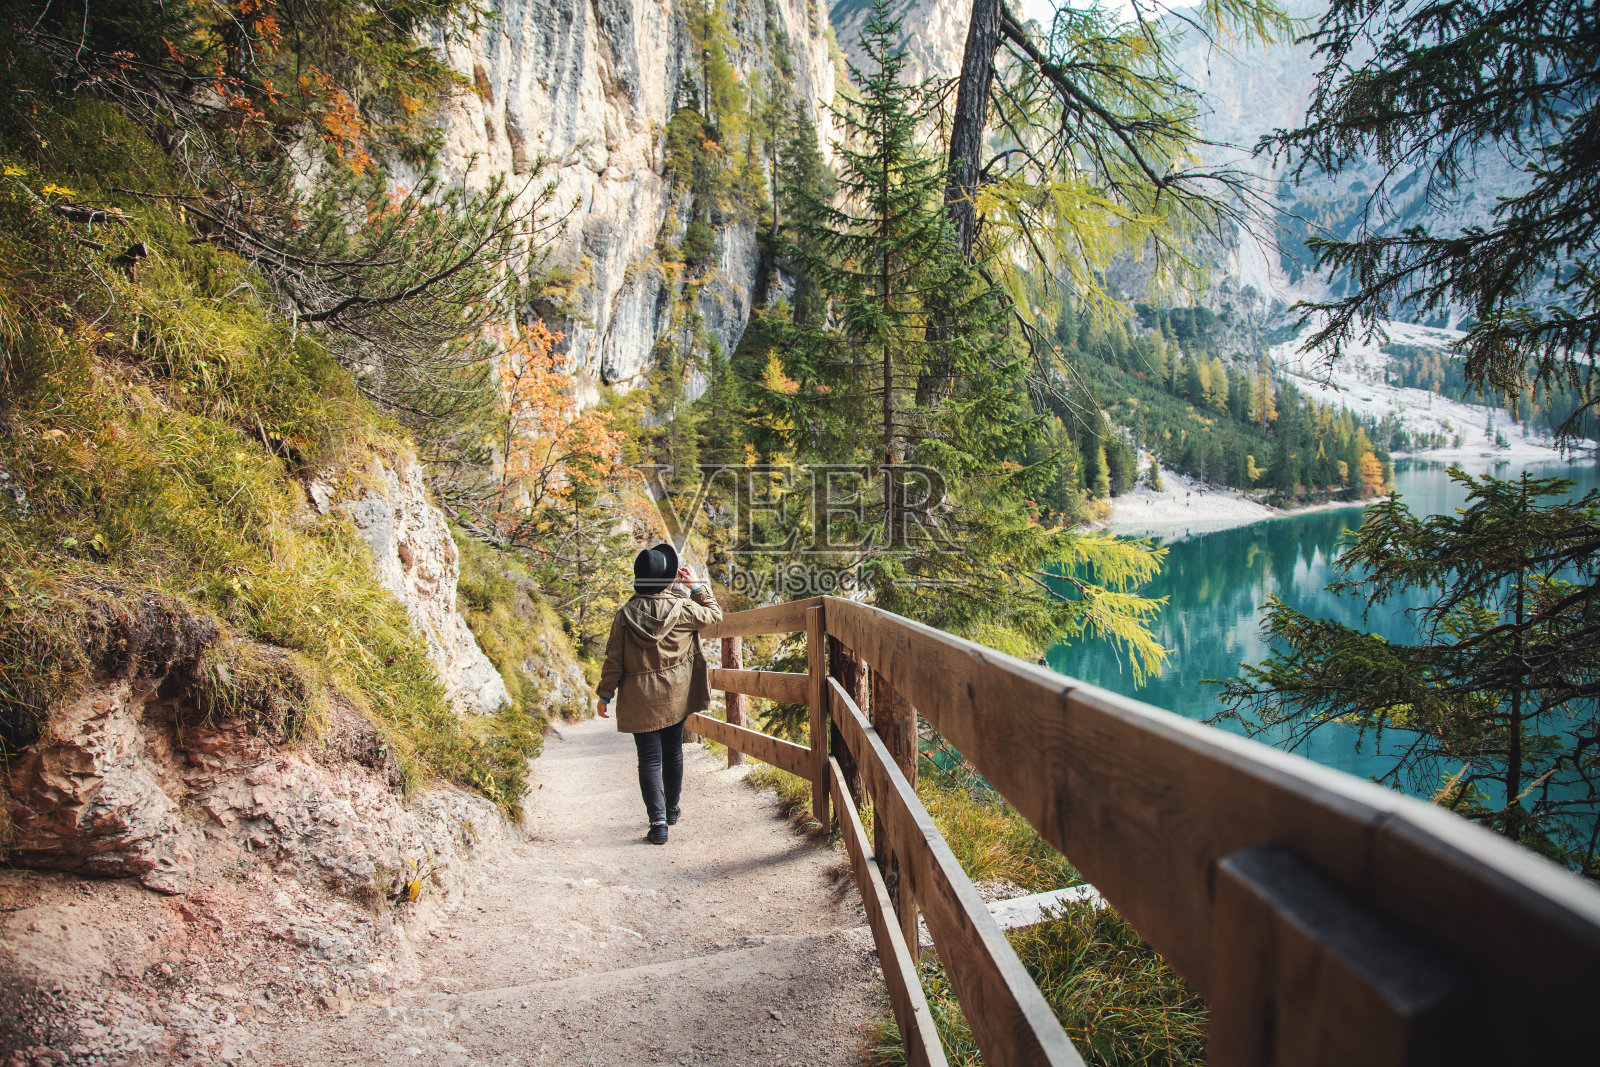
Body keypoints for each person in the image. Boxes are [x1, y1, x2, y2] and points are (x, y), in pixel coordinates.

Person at [596, 542, 722, 844]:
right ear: (669, 581)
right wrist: (694, 587)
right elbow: (715, 615)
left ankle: (658, 822)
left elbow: (614, 658)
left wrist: (605, 694)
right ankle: (672, 807)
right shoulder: (683, 609)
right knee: (673, 751)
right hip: (675, 696)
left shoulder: (625, 615)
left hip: (640, 701)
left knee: (649, 759)